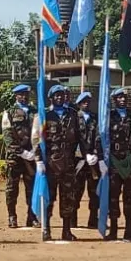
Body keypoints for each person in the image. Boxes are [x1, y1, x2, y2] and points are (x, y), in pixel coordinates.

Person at [33, 84, 91, 241]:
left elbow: (81, 138)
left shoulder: (73, 115)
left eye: (62, 95)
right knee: (48, 198)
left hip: (68, 164)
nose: (59, 98)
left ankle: (66, 230)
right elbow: (37, 140)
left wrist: (83, 158)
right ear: (51, 98)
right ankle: (46, 229)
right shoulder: (44, 115)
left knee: (68, 198)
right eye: (56, 95)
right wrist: (38, 160)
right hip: (50, 164)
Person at [102, 87, 131, 241]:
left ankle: (129, 229)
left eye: (124, 97)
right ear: (114, 100)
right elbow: (102, 137)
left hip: (130, 160)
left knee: (130, 196)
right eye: (119, 97)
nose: (122, 99)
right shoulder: (108, 116)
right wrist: (102, 159)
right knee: (113, 196)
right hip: (113, 160)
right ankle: (113, 229)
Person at [2, 84, 38, 229]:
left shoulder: (36, 112)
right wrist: (22, 152)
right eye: (21, 94)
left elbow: (40, 133)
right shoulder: (9, 112)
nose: (24, 97)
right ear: (16, 96)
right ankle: (12, 216)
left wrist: (35, 152)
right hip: (15, 157)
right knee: (12, 188)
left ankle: (32, 216)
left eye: (26, 94)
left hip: (32, 157)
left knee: (32, 189)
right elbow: (8, 136)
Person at [73, 91, 100, 228]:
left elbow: (99, 137)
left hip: (93, 162)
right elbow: (73, 138)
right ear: (78, 104)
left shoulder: (96, 118)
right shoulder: (74, 118)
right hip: (78, 161)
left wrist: (95, 154)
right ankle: (72, 219)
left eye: (88, 101)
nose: (86, 103)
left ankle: (93, 219)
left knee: (94, 192)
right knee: (76, 190)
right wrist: (83, 155)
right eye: (83, 101)